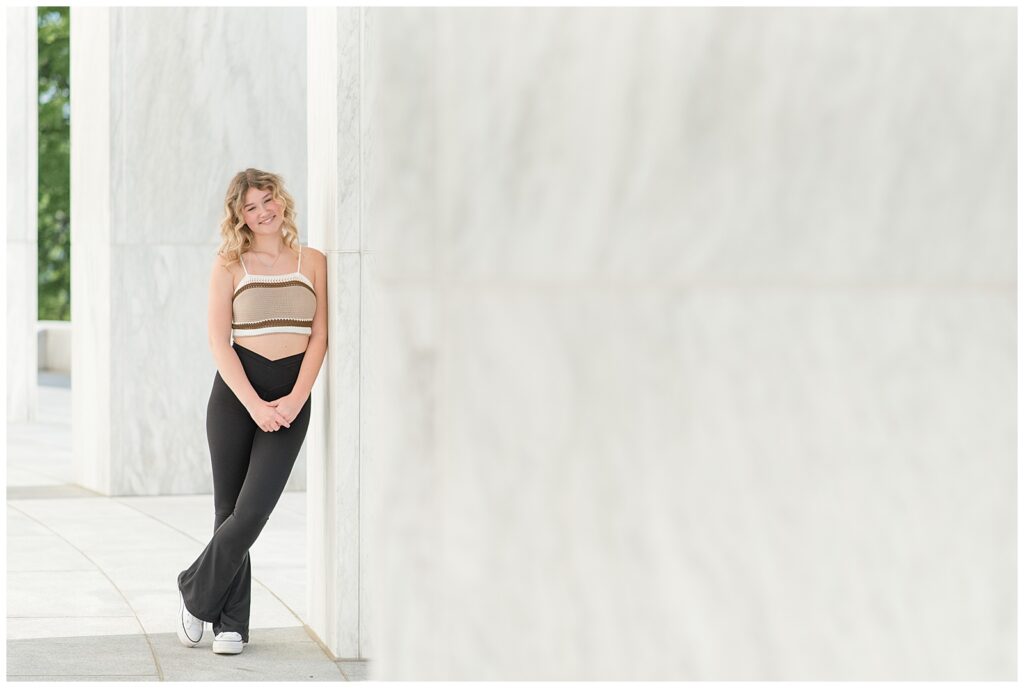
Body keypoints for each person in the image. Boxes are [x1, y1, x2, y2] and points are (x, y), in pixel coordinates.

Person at [175, 168, 328, 655]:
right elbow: (219, 342)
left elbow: (320, 336)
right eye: (251, 207)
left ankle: (194, 590)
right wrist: (254, 405)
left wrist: (296, 398)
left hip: (291, 397)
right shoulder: (229, 264)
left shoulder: (315, 261)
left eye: (269, 200)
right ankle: (231, 625)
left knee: (253, 512)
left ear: (281, 201)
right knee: (229, 512)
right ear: (239, 216)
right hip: (236, 396)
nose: (263, 212)